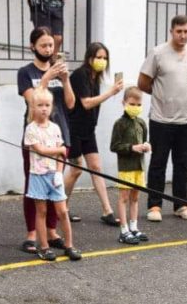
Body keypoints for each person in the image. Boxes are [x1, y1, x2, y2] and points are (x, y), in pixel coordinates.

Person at [138, 15, 187, 223]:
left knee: (182, 164)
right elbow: (143, 83)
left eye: (186, 31)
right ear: (171, 31)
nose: (183, 35)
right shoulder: (158, 53)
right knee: (158, 162)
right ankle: (155, 205)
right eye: (179, 31)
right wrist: (163, 96)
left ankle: (181, 205)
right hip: (161, 119)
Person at [17, 26, 75, 253]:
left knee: (56, 181)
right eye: (43, 45)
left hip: (60, 135)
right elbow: (32, 101)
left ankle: (51, 230)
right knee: (34, 184)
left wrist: (65, 80)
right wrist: (46, 78)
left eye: (51, 45)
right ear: (33, 46)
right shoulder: (25, 72)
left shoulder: (58, 71)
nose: (48, 49)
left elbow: (70, 104)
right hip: (36, 137)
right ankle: (32, 233)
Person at [65, 41, 122, 225]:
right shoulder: (81, 75)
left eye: (105, 58)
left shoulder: (94, 77)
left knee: (96, 167)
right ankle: (60, 208)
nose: (102, 61)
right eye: (99, 57)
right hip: (73, 128)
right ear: (90, 58)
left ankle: (107, 210)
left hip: (88, 130)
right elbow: (87, 103)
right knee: (75, 170)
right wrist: (111, 92)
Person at [24, 88, 81, 261]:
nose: (44, 108)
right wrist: (60, 149)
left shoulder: (55, 128)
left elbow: (60, 156)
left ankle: (69, 245)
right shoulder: (31, 129)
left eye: (47, 105)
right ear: (32, 107)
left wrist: (58, 171)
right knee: (40, 211)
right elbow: (41, 150)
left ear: (52, 107)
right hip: (38, 176)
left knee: (62, 211)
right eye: (40, 105)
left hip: (53, 176)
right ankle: (44, 247)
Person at [110, 86, 150, 245]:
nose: (136, 108)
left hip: (139, 166)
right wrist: (131, 148)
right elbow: (114, 146)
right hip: (126, 166)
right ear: (124, 103)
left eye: (139, 105)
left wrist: (146, 146)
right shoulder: (119, 124)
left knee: (135, 197)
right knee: (124, 197)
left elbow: (145, 140)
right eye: (132, 104)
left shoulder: (141, 123)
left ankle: (134, 227)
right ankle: (124, 229)